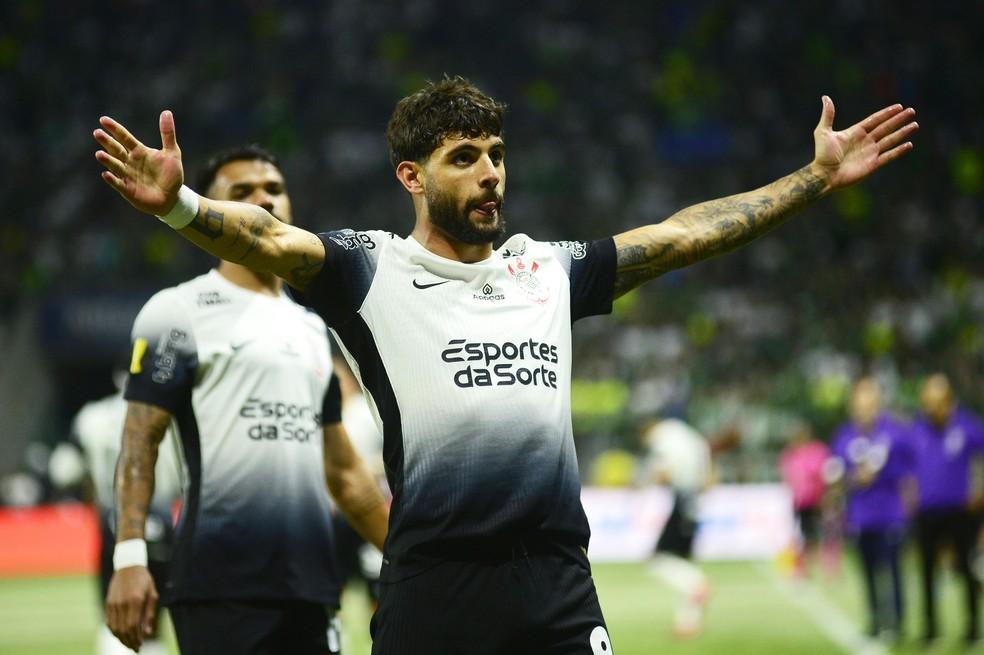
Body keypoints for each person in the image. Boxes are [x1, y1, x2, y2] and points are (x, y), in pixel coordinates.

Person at [92, 76, 917, 654]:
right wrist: (181, 206)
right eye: (463, 156)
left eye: (495, 152)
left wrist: (812, 180)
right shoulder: (369, 271)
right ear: (411, 176)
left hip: (557, 584)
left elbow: (683, 234)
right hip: (433, 591)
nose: (491, 172)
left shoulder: (545, 268)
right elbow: (268, 239)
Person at [102, 145, 389, 654]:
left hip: (312, 587)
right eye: (242, 193)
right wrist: (129, 559)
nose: (263, 200)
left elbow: (345, 474)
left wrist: (408, 559)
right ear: (214, 212)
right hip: (219, 586)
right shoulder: (176, 312)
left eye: (274, 189)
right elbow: (140, 441)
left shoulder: (310, 329)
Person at [48, 368, 181, 655]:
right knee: (153, 624)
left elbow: (63, 470)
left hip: (114, 520)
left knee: (117, 617)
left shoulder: (91, 417)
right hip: (161, 517)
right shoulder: (171, 414)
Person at [826, 377, 915, 640]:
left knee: (894, 572)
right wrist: (851, 478)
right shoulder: (844, 436)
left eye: (868, 402)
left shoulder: (895, 432)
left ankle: (897, 622)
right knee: (867, 573)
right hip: (860, 515)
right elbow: (836, 474)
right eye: (859, 402)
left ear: (877, 403)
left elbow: (909, 472)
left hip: (890, 513)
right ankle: (875, 619)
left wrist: (905, 500)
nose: (863, 407)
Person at [909, 373, 984, 645]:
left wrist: (980, 489)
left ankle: (973, 627)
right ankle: (930, 629)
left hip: (961, 511)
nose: (931, 407)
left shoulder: (967, 425)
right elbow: (906, 466)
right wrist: (910, 492)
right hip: (927, 511)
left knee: (965, 569)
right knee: (927, 571)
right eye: (927, 401)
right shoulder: (917, 428)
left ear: (948, 400)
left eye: (936, 401)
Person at [640, 417, 712, 639]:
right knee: (680, 562)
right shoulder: (688, 435)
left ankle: (699, 584)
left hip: (682, 502)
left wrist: (646, 483)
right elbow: (707, 472)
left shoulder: (663, 436)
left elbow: (664, 471)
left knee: (658, 561)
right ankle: (686, 624)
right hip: (693, 503)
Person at [778, 423, 830, 578]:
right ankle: (802, 566)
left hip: (815, 501)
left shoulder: (817, 451)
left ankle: (819, 565)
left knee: (816, 535)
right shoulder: (789, 454)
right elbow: (787, 476)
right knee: (800, 535)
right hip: (799, 502)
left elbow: (824, 473)